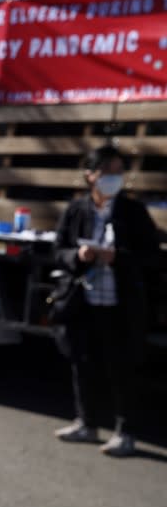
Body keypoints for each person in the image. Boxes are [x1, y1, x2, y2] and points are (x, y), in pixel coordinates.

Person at [53, 144, 158, 457]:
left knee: (121, 367)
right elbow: (58, 249)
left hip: (120, 304)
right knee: (82, 363)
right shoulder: (76, 210)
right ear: (90, 176)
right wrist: (78, 256)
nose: (114, 178)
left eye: (118, 172)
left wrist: (118, 258)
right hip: (82, 300)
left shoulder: (132, 212)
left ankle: (125, 432)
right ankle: (86, 423)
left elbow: (150, 257)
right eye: (107, 172)